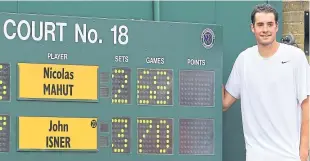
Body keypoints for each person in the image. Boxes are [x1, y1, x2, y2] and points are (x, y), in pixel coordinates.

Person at [223, 3, 310, 161]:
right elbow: (224, 103)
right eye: (260, 25)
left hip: (289, 156)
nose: (265, 30)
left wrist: (304, 153)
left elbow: (307, 105)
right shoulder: (244, 60)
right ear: (252, 28)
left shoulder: (296, 57)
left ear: (277, 26)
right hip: (256, 156)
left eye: (270, 24)